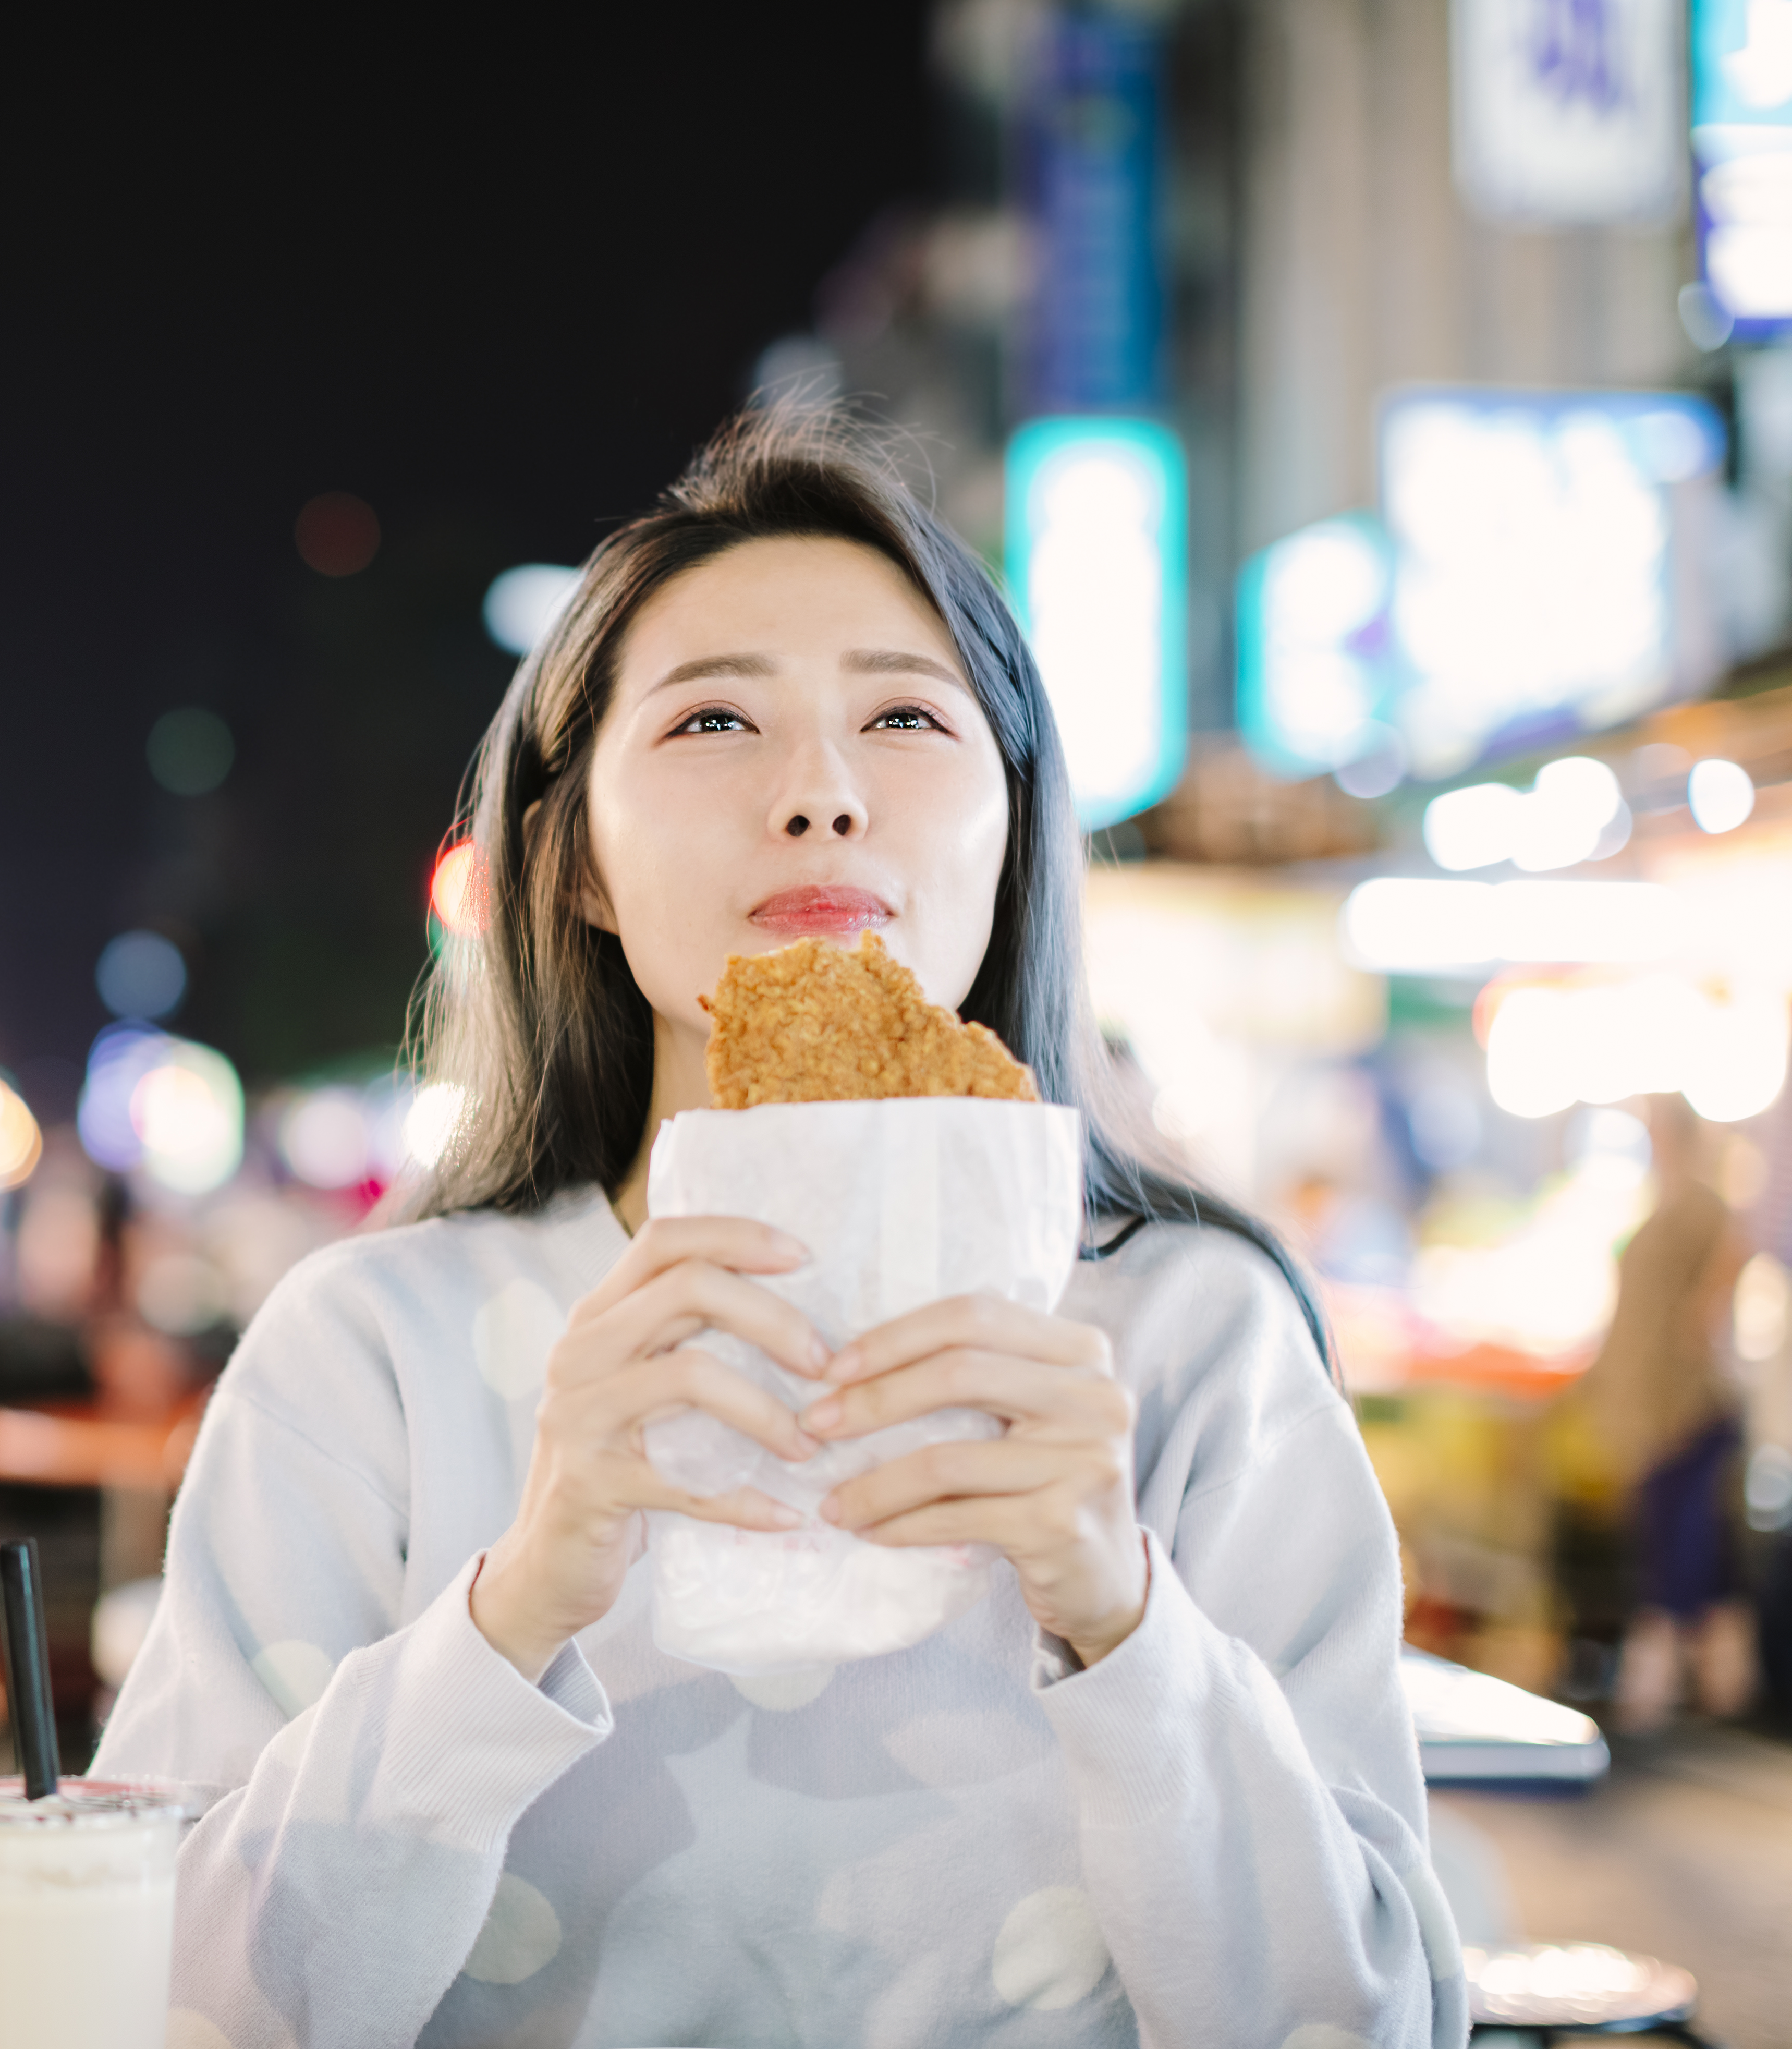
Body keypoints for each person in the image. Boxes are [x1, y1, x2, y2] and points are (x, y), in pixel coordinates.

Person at [94, 414, 1460, 2046]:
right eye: (713, 720)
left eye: (900, 715)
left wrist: (1123, 1616)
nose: (817, 792)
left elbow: (1369, 2019)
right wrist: (518, 1600)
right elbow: (160, 1997)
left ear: (1011, 824)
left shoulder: (1193, 1340)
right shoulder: (364, 1348)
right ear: (574, 858)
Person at [1580, 1094, 1756, 1732]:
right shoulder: (1664, 1203)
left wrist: (1700, 1328)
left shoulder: (1703, 1204)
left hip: (1686, 1410)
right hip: (1655, 1412)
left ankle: (1653, 1692)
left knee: (1678, 1557)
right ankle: (1716, 1683)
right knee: (1699, 1560)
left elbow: (1726, 1273)